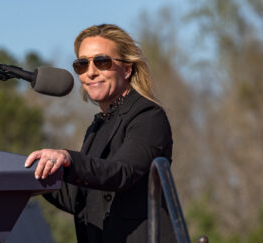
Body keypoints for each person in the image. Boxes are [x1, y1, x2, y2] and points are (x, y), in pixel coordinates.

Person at [25, 24, 175, 243]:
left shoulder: (148, 116)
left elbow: (121, 172)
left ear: (127, 69)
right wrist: (32, 177)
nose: (91, 72)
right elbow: (80, 200)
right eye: (82, 64)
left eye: (102, 62)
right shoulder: (98, 126)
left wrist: (68, 158)